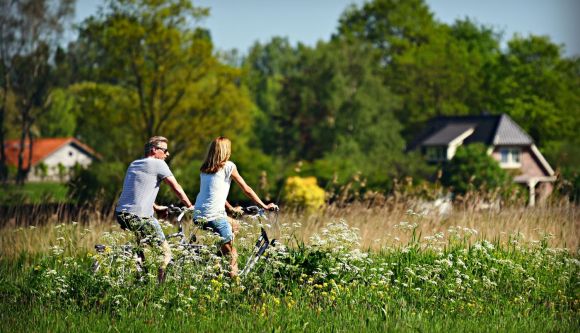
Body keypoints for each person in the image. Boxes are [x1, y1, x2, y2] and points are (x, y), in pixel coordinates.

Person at [194, 136, 277, 277]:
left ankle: (216, 261)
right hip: (215, 216)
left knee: (234, 225)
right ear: (226, 151)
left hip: (198, 215)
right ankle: (235, 286)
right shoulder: (229, 166)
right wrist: (264, 205)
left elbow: (214, 193)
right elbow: (246, 189)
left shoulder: (205, 169)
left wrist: (230, 208)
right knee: (233, 254)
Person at [115, 136, 193, 283]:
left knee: (141, 250)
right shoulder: (158, 164)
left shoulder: (134, 164)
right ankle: (159, 289)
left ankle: (141, 280)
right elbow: (176, 187)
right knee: (165, 253)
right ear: (154, 150)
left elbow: (137, 192)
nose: (167, 154)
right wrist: (190, 205)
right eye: (165, 150)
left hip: (121, 213)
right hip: (140, 216)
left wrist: (156, 207)